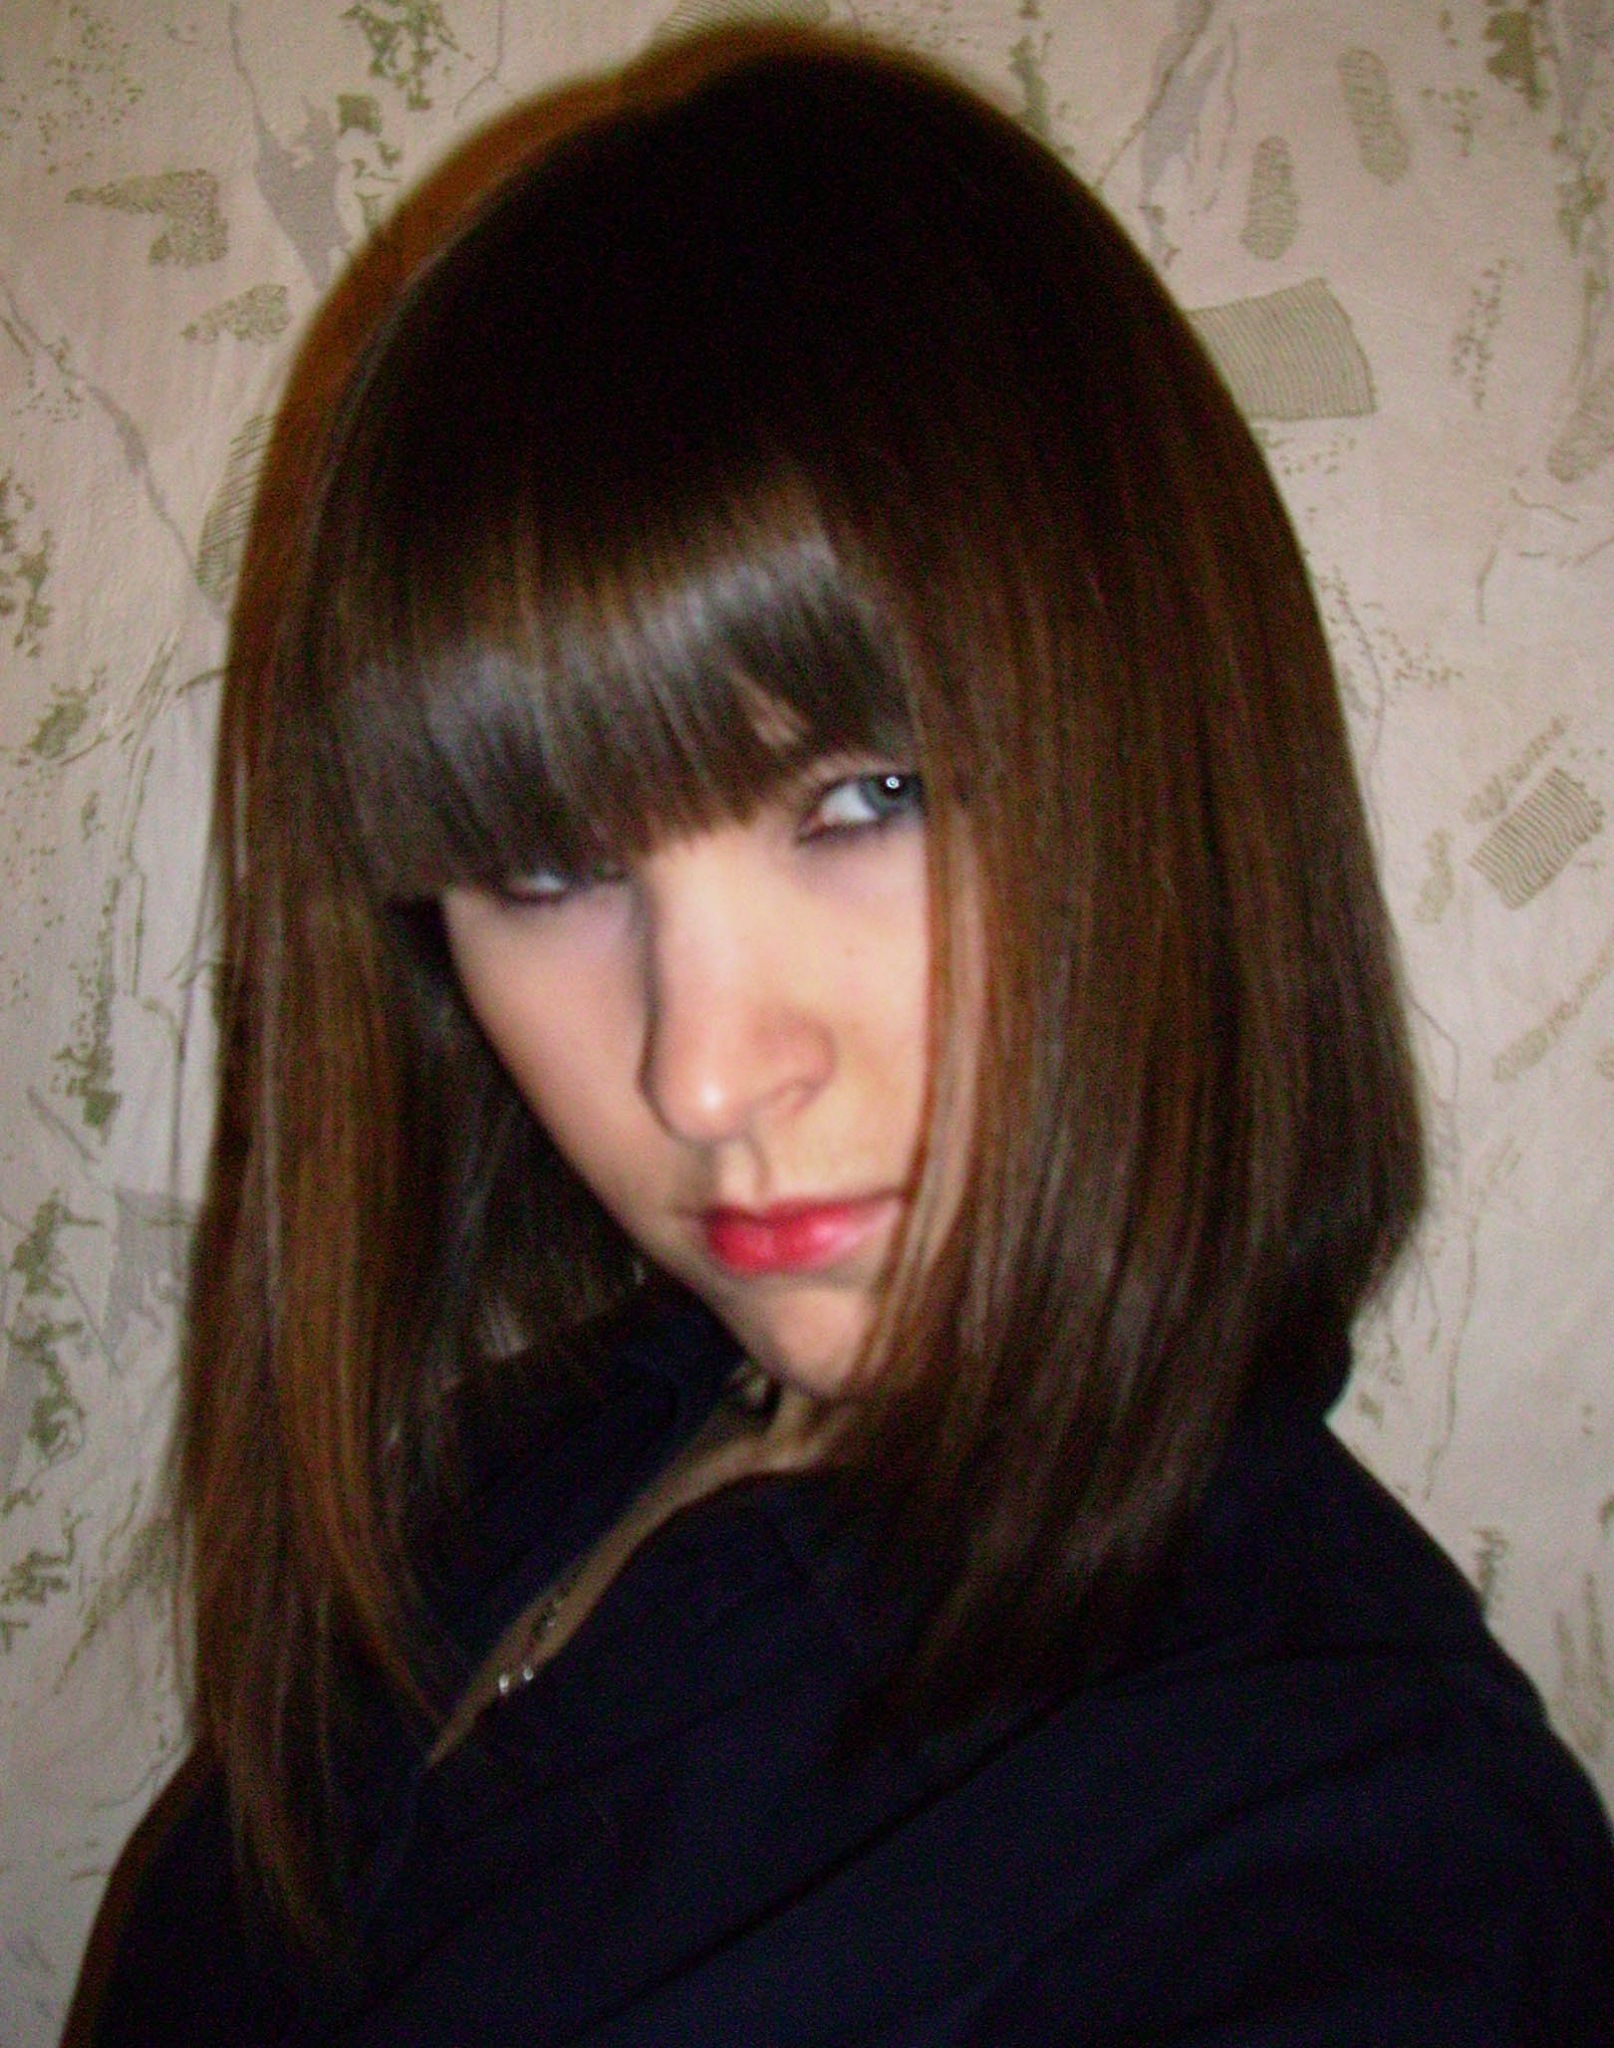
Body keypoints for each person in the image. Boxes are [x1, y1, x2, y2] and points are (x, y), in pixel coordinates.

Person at [71, 25, 1614, 2045]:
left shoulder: (1350, 1856)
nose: (701, 1076)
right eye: (544, 864)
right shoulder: (551, 1442)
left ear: (1165, 769)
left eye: (867, 799)